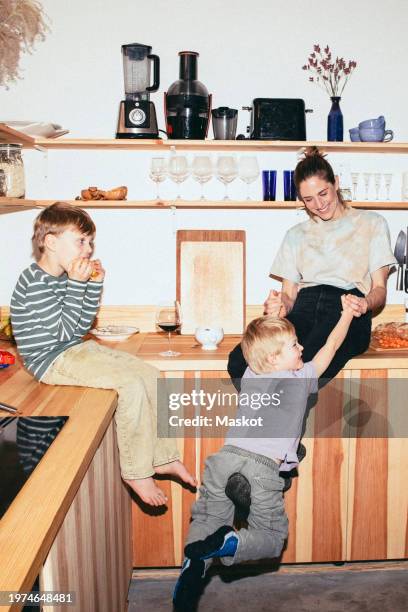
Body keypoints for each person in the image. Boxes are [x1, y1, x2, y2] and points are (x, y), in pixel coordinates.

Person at [173, 300, 356, 610]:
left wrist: (271, 316)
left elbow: (255, 343)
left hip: (223, 460)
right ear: (274, 357)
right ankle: (231, 542)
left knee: (207, 519)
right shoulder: (302, 378)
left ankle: (193, 566)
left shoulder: (251, 373)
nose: (301, 349)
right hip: (261, 468)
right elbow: (332, 345)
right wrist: (348, 314)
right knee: (271, 537)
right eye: (295, 345)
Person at [10, 202, 196, 507]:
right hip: (50, 360)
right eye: (80, 241)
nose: (87, 249)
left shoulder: (62, 279)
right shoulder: (33, 283)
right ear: (51, 242)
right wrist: (76, 284)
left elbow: (81, 326)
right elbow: (62, 333)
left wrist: (92, 285)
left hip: (73, 349)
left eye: (89, 242)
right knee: (130, 385)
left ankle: (162, 457)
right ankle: (136, 471)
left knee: (153, 375)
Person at [228, 147, 397, 391]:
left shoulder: (372, 224)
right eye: (308, 199)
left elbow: (379, 290)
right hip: (304, 311)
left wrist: (365, 304)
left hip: (346, 312)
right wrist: (281, 305)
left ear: (335, 183)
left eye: (323, 193)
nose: (318, 204)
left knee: (300, 368)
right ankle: (266, 421)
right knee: (240, 361)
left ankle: (277, 424)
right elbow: (289, 295)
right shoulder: (295, 235)